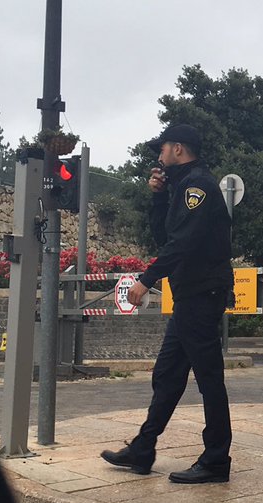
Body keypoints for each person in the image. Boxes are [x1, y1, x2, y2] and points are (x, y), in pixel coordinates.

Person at [101, 123, 235, 484]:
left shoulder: (197, 187)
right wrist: (159, 198)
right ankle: (143, 448)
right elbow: (164, 237)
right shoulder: (181, 187)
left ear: (178, 148)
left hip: (202, 293)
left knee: (209, 379)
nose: (159, 156)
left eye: (162, 149)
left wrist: (146, 280)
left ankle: (216, 460)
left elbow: (183, 244)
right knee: (167, 375)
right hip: (190, 295)